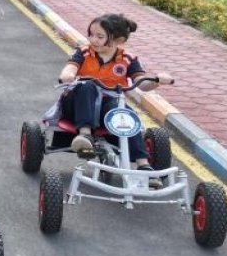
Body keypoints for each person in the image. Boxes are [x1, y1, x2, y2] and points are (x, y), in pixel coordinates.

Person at [56, 13, 174, 189]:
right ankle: (85, 135)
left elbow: (142, 84)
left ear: (119, 40)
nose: (93, 40)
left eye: (100, 37)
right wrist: (68, 74)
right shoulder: (84, 52)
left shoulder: (127, 59)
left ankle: (143, 165)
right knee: (88, 85)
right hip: (77, 104)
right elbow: (70, 67)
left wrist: (156, 80)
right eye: (91, 34)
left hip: (107, 108)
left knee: (126, 114)